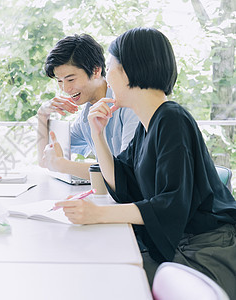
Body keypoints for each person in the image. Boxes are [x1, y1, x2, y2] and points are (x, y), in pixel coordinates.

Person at [55, 27, 236, 297]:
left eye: (112, 68)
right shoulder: (147, 124)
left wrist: (98, 214)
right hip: (182, 241)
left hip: (207, 251)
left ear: (130, 71)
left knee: (105, 278)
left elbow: (170, 205)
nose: (109, 78)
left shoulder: (172, 119)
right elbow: (122, 182)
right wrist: (97, 134)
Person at [37, 34, 139, 179]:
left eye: (71, 79)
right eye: (59, 81)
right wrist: (42, 114)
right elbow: (45, 159)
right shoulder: (86, 117)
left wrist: (62, 165)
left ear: (96, 71)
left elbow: (127, 172)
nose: (65, 89)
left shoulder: (128, 105)